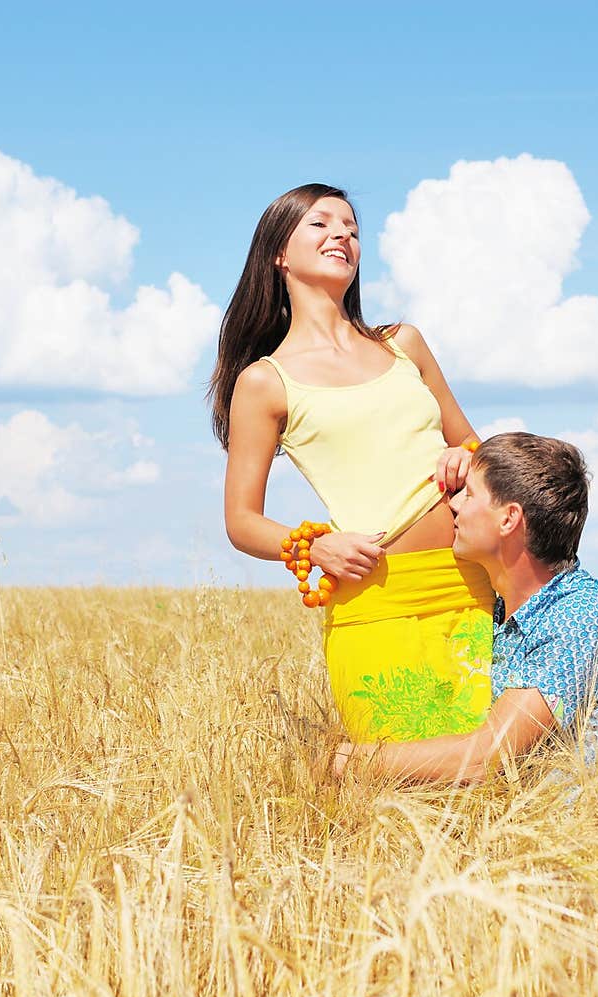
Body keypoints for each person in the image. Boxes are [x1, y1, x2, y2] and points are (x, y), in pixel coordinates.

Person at [208, 183, 495, 744]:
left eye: (351, 228)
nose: (341, 233)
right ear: (279, 254)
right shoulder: (266, 381)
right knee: (408, 778)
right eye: (320, 223)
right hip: (377, 596)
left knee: (497, 773)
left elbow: (477, 450)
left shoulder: (403, 344)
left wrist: (461, 461)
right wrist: (315, 546)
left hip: (474, 582)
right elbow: (241, 521)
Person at [334, 432, 598, 784]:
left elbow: (488, 759)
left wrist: (349, 760)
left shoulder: (579, 616)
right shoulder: (495, 606)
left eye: (470, 493)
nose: (455, 505)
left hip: (568, 832)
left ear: (509, 519)